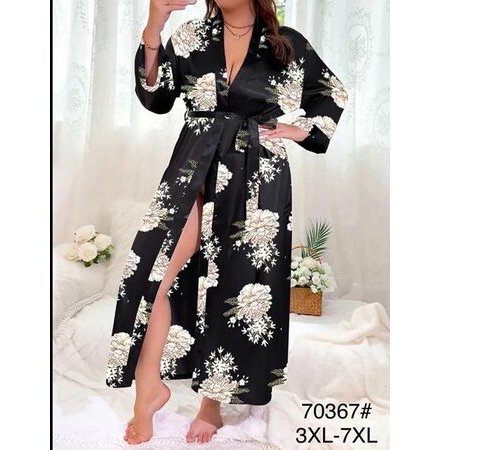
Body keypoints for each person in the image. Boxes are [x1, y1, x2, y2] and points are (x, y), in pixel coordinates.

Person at [106, 0, 347, 444]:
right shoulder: (191, 36)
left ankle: (210, 405)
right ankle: (148, 388)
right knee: (150, 274)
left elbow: (331, 92)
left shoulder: (286, 45)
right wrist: (154, 26)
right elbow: (156, 97)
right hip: (193, 165)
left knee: (232, 284)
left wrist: (301, 129)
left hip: (256, 173)